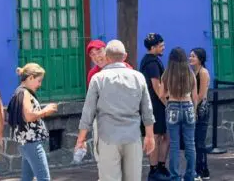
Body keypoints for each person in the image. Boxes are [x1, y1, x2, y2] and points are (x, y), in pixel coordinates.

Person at [76, 40, 157, 181]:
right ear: (124, 56)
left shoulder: (97, 78)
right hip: (132, 136)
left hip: (107, 137)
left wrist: (81, 138)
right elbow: (147, 110)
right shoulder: (138, 77)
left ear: (107, 57)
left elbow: (88, 112)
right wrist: (150, 136)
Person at [9, 63, 59, 181]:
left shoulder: (19, 92)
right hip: (32, 142)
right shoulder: (24, 93)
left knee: (27, 178)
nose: (40, 84)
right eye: (39, 80)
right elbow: (29, 116)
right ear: (30, 77)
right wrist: (46, 111)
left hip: (26, 143)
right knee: (44, 178)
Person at [162, 48, 198, 181]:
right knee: (190, 144)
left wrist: (168, 103)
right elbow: (195, 96)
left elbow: (161, 94)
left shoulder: (167, 74)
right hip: (188, 106)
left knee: (174, 145)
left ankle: (175, 177)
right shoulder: (190, 73)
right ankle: (190, 175)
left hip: (173, 106)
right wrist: (193, 111)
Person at [140, 33, 170, 180]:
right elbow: (157, 88)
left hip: (156, 105)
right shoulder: (152, 63)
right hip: (155, 105)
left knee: (165, 136)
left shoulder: (152, 60)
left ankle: (161, 166)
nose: (163, 47)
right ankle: (154, 170)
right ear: (153, 47)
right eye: (160, 45)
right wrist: (168, 104)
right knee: (156, 136)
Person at [189, 48, 211, 180]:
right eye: (190, 56)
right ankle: (198, 168)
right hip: (194, 107)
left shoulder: (203, 72)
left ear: (200, 59)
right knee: (195, 140)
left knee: (200, 141)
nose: (190, 58)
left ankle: (203, 169)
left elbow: (201, 94)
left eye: (193, 56)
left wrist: (194, 107)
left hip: (201, 109)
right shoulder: (193, 72)